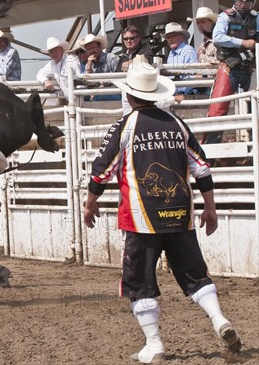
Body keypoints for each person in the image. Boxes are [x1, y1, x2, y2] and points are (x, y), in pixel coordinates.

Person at [83, 62, 242, 363]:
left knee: (139, 282)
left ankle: (154, 344)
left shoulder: (124, 126)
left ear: (130, 96)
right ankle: (219, 319)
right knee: (196, 276)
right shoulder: (177, 124)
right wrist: (210, 207)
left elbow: (101, 172)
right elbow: (202, 168)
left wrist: (91, 203)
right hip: (180, 213)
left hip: (141, 219)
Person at [206, 0, 258, 144]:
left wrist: (247, 50)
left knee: (253, 108)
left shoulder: (255, 18)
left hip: (248, 68)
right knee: (218, 108)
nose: (243, 4)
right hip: (229, 69)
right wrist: (243, 43)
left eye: (247, 1)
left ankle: (252, 144)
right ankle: (209, 149)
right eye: (241, 1)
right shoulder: (225, 16)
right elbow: (218, 37)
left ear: (252, 1)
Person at [164, 22, 199, 95]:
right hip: (173, 91)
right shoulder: (171, 53)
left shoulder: (188, 51)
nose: (170, 39)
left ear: (182, 37)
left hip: (187, 92)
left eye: (173, 36)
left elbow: (193, 76)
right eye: (168, 37)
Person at [83, 33, 120, 101]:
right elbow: (87, 84)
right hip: (97, 94)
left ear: (100, 48)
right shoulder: (88, 64)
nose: (91, 51)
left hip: (113, 92)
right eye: (88, 49)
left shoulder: (111, 58)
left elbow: (120, 79)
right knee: (82, 97)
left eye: (93, 48)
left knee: (98, 97)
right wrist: (88, 67)